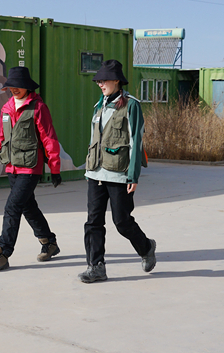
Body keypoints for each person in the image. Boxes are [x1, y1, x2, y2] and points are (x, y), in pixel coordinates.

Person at [0, 66, 62, 271]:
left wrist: (55, 168)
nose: (14, 89)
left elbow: (49, 138)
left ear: (27, 87)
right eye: (11, 86)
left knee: (12, 207)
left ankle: (3, 253)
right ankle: (49, 242)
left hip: (30, 168)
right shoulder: (7, 108)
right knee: (28, 207)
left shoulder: (38, 108)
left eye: (18, 86)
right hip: (11, 167)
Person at [78, 59, 156, 283]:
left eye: (104, 80)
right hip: (96, 173)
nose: (100, 84)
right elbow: (94, 139)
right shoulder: (99, 105)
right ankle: (96, 266)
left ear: (116, 81)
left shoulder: (131, 105)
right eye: (98, 81)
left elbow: (136, 141)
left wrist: (133, 175)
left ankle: (146, 247)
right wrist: (89, 168)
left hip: (119, 173)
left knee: (122, 221)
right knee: (93, 222)